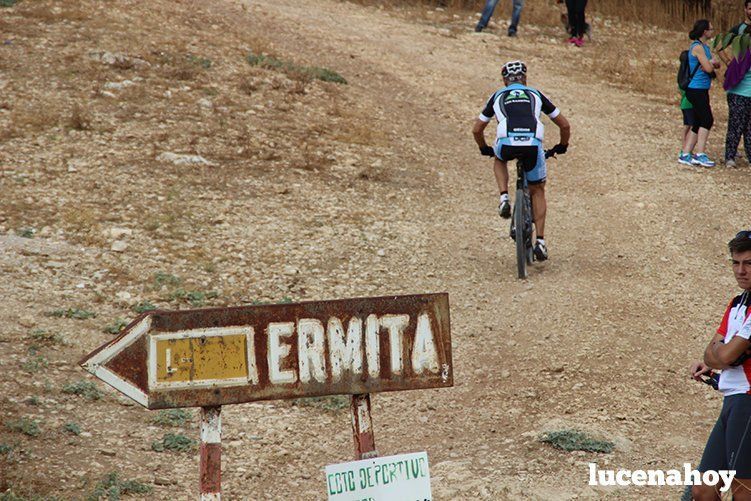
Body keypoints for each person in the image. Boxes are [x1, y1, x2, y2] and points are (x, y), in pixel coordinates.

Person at [472, 60, 570, 261]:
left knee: (499, 158)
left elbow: (477, 129)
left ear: (504, 80)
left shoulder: (497, 96)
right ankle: (540, 242)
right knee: (537, 189)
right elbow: (564, 125)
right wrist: (562, 145)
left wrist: (483, 148)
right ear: (524, 78)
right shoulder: (536, 94)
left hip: (507, 142)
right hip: (533, 144)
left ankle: (504, 197)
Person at [689, 231, 751, 501]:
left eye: (749, 263)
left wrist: (722, 355)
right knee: (703, 488)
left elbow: (722, 357)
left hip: (747, 403)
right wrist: (722, 354)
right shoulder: (737, 303)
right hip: (731, 401)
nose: (741, 270)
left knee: (743, 489)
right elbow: (714, 353)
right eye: (735, 263)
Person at [679, 19, 721, 168]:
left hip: (702, 88)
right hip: (695, 89)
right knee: (707, 119)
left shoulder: (705, 47)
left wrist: (711, 64)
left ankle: (686, 153)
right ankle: (700, 153)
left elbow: (713, 65)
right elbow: (709, 68)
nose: (712, 32)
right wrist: (711, 64)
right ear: (705, 31)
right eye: (711, 29)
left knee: (698, 121)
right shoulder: (697, 47)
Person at [718, 0, 751, 168]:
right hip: (738, 90)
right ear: (745, 9)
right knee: (736, 125)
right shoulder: (738, 30)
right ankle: (730, 156)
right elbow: (719, 45)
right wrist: (729, 63)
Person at [679, 87, 696, 160]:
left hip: (684, 103)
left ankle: (684, 149)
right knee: (693, 126)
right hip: (690, 104)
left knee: (687, 126)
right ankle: (687, 149)